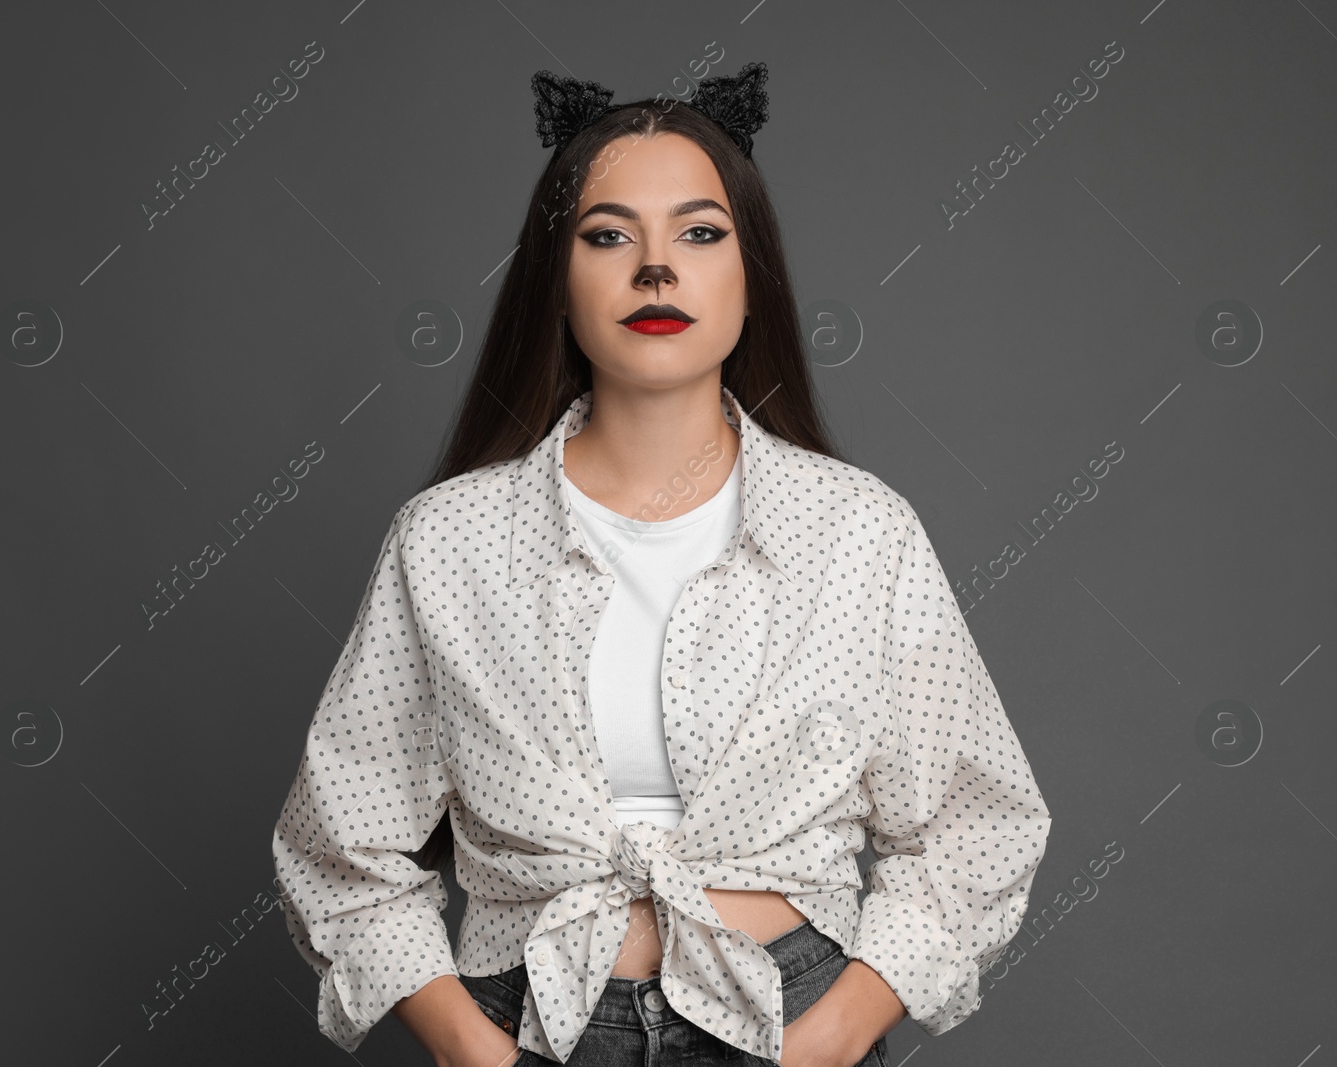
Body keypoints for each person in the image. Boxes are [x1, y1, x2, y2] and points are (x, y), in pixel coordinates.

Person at [271, 61, 1052, 1067]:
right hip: (534, 1025)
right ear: (556, 277)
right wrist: (472, 1045)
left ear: (750, 273)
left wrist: (832, 1036)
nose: (654, 268)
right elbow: (341, 844)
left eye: (698, 232)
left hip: (787, 1016)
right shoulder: (447, 540)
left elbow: (974, 822)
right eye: (607, 235)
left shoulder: (860, 530)